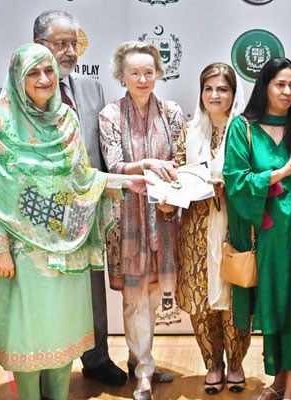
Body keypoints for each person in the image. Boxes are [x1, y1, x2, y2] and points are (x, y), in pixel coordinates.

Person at [0, 43, 151, 400]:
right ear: (17, 78)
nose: (44, 79)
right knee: (27, 333)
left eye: (49, 71)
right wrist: (0, 249)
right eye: (33, 73)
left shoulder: (66, 119)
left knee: (62, 333)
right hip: (23, 252)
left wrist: (122, 181)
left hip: (68, 244)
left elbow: (82, 178)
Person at [223, 57, 291, 400]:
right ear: (265, 86)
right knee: (278, 305)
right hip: (267, 237)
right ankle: (281, 384)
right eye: (279, 84)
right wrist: (283, 172)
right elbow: (235, 181)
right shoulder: (243, 128)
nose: (286, 91)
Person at [32, 10, 126, 386]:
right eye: (61, 44)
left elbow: (100, 151)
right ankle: (42, 363)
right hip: (41, 214)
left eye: (74, 44)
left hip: (86, 210)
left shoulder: (90, 89)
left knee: (92, 287)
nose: (71, 52)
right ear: (39, 46)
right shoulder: (17, 91)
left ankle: (97, 358)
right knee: (44, 290)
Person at [99, 41, 185, 400]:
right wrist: (148, 164)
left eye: (149, 71)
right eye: (134, 72)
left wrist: (173, 198)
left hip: (164, 217)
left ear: (158, 74)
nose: (142, 78)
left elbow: (180, 159)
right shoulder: (110, 115)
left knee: (153, 296)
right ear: (122, 76)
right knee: (134, 298)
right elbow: (114, 165)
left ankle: (142, 361)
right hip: (128, 219)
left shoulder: (172, 111)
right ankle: (144, 372)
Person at [171, 62, 250, 394]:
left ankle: (236, 363)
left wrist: (228, 186)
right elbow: (177, 171)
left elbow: (255, 180)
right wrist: (168, 196)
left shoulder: (246, 131)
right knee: (202, 302)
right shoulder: (190, 130)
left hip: (235, 227)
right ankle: (212, 364)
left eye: (222, 89)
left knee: (234, 300)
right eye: (209, 89)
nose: (215, 95)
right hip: (196, 229)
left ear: (233, 94)